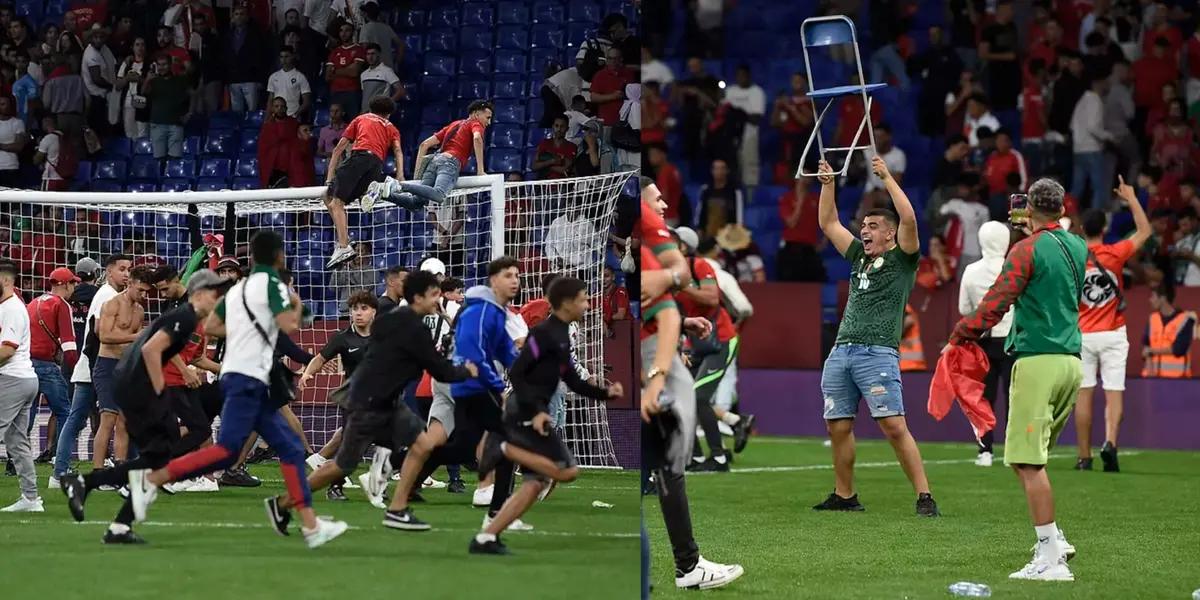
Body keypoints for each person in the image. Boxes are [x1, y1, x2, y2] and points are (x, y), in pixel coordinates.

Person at [131, 232, 348, 548]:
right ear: (278, 256)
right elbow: (290, 325)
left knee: (289, 448)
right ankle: (151, 478)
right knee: (226, 450)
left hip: (238, 374)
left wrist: (246, 332)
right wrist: (294, 300)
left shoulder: (238, 290)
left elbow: (213, 327)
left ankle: (306, 523)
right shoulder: (273, 284)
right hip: (248, 378)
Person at [948, 178, 1084, 581]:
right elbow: (1051, 268)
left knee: (1026, 461)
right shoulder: (1077, 245)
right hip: (1071, 361)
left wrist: (962, 333)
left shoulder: (1025, 249)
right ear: (1062, 208)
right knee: (1026, 459)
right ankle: (1054, 539)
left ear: (1028, 209)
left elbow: (997, 301)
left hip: (1038, 359)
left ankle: (1051, 559)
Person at [287, 271, 475, 524]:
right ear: (418, 298)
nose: (437, 299)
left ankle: (395, 506)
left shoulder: (394, 319)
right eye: (433, 295)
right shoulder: (412, 328)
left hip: (386, 400)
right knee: (343, 465)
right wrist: (468, 371)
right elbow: (440, 370)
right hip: (371, 402)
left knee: (423, 443)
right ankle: (284, 502)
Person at [58, 270, 231, 543]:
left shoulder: (186, 317)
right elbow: (151, 350)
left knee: (158, 456)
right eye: (215, 294)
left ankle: (112, 515)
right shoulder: (185, 317)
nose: (219, 299)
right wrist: (160, 393)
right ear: (199, 294)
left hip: (133, 385)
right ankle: (101, 487)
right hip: (137, 387)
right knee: (168, 450)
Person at [814, 158, 939, 516]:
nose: (864, 231)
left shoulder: (904, 259)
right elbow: (828, 223)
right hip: (842, 351)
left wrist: (886, 178)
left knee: (894, 426)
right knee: (837, 426)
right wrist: (828, 184)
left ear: (890, 234)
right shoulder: (858, 256)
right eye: (864, 226)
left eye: (873, 226)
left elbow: (909, 219)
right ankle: (845, 495)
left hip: (878, 352)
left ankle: (924, 496)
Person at [640, 177, 744, 590]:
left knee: (666, 458)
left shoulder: (691, 262)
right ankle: (687, 565)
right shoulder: (648, 243)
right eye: (656, 198)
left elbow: (683, 292)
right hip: (658, 354)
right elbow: (666, 305)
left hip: (705, 343)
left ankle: (682, 564)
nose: (664, 204)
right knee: (669, 462)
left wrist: (674, 301)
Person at [472, 277, 623, 554]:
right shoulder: (542, 334)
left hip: (534, 410)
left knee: (535, 483)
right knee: (566, 470)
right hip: (526, 410)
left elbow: (572, 380)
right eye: (583, 299)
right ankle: (505, 449)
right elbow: (518, 373)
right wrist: (538, 411)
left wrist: (605, 394)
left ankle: (486, 537)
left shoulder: (563, 334)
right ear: (566, 303)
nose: (588, 305)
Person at [381, 257, 521, 530]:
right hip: (468, 385)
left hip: (456, 383)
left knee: (455, 445)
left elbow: (506, 350)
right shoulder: (478, 310)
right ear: (493, 281)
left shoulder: (490, 309)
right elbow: (473, 354)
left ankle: (390, 464)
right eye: (508, 276)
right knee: (497, 438)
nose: (515, 281)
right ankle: (489, 497)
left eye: (517, 275)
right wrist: (499, 388)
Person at [1074, 178, 1152, 472]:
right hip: (1113, 333)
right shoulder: (1115, 253)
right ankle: (1110, 444)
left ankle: (1084, 457)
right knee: (1114, 391)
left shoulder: (1074, 258)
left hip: (1083, 334)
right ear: (1104, 228)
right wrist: (1131, 199)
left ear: (1082, 229)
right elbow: (1145, 231)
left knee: (1084, 394)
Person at [672, 227, 754, 471]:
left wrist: (680, 285)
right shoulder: (669, 271)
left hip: (721, 340)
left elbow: (710, 298)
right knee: (681, 398)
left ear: (684, 246)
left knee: (698, 397)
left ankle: (718, 457)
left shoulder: (700, 266)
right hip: (694, 343)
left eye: (673, 241)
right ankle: (696, 456)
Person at [55, 255, 129, 483]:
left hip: (94, 367)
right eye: (122, 269)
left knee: (89, 418)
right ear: (108, 272)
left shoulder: (109, 294)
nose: (126, 274)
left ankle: (62, 471)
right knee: (105, 419)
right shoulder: (107, 295)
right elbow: (99, 331)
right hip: (96, 367)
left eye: (129, 269)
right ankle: (64, 471)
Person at [297, 290, 377, 501]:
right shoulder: (343, 338)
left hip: (379, 399)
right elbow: (320, 358)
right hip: (353, 400)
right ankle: (335, 486)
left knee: (390, 443)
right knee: (351, 447)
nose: (358, 313)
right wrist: (307, 373)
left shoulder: (383, 336)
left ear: (374, 312)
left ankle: (378, 482)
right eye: (354, 309)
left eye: (364, 308)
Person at [364, 100, 493, 215]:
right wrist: (480, 170)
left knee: (416, 203)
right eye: (487, 117)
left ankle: (381, 192)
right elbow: (477, 138)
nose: (488, 122)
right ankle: (398, 185)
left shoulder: (454, 124)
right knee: (439, 195)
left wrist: (417, 176)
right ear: (476, 114)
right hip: (449, 163)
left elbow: (424, 145)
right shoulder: (476, 123)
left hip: (434, 161)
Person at [958, 221, 1016, 466]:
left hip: (983, 341)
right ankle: (1014, 450)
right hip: (1012, 341)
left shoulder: (971, 271)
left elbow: (964, 308)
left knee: (984, 398)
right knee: (1014, 397)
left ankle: (985, 450)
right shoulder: (1014, 268)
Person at [323, 95, 404, 269]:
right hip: (376, 166)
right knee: (328, 197)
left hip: (358, 159)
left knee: (335, 202)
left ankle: (343, 246)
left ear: (370, 108)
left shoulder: (361, 119)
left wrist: (329, 177)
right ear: (389, 114)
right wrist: (400, 176)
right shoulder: (391, 127)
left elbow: (339, 148)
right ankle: (372, 190)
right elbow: (398, 151)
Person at [27, 267, 79, 476]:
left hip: (26, 364)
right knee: (65, 412)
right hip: (46, 365)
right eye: (73, 283)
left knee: (27, 413)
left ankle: (14, 461)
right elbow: (69, 344)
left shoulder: (34, 303)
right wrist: (75, 369)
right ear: (65, 284)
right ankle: (61, 459)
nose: (74, 287)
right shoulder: (62, 304)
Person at [0, 260, 42, 513]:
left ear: (5, 280)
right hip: (22, 379)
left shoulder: (12, 308)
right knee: (17, 442)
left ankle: (31, 498)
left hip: (12, 379)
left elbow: (7, 349)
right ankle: (31, 498)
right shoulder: (6, 306)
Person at [1141, 285, 1196, 377]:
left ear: (1163, 298)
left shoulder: (1185, 320)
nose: (1150, 300)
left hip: (1177, 380)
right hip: (1152, 378)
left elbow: (1179, 349)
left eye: (1153, 296)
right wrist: (1148, 357)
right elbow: (1146, 345)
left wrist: (1151, 351)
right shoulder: (1153, 319)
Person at [266, 45, 312, 120]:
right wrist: (267, 117)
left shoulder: (300, 77)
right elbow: (270, 100)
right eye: (281, 57)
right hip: (276, 117)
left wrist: (296, 114)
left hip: (292, 116)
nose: (284, 60)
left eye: (286, 56)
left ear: (292, 57)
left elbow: (306, 101)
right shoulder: (273, 77)